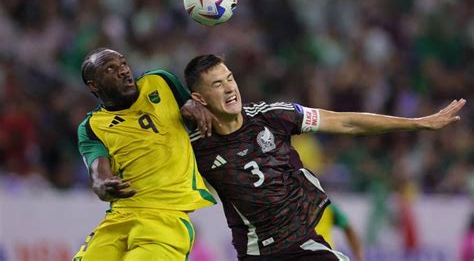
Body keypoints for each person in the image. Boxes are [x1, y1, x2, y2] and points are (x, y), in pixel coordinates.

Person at [183, 54, 466, 261]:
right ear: (200, 97)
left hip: (302, 244)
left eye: (230, 78)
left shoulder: (273, 116)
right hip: (257, 254)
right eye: (218, 84)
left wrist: (418, 123)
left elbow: (346, 122)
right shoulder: (195, 145)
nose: (230, 87)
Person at [72, 48, 217, 261]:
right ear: (94, 85)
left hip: (166, 217)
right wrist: (104, 187)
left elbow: (190, 107)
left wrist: (195, 109)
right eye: (110, 69)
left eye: (123, 64)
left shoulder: (161, 82)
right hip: (119, 218)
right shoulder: (92, 127)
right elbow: (98, 175)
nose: (122, 71)